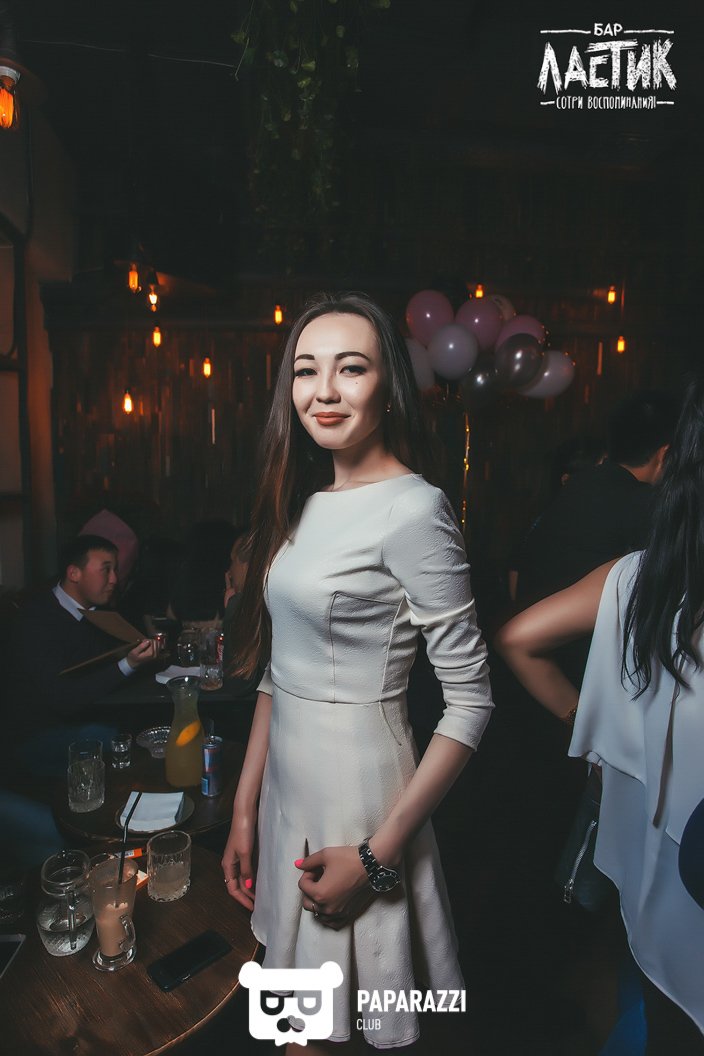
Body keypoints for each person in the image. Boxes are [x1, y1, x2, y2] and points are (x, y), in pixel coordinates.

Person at [221, 292, 494, 1053]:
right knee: (294, 1027)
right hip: (288, 793)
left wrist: (376, 857)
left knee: (331, 1034)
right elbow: (279, 673)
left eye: (351, 368)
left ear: (389, 385)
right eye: (306, 371)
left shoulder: (415, 510)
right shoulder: (305, 505)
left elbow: (471, 701)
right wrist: (244, 808)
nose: (324, 391)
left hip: (361, 805)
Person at [495, 376, 704, 1052]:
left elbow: (516, 603)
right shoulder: (646, 547)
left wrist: (593, 725)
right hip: (637, 789)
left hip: (594, 760)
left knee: (633, 961)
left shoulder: (618, 541)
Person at [6, 534, 155, 776]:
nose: (114, 579)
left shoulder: (100, 614)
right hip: (34, 734)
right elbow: (62, 700)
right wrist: (128, 664)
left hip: (84, 715)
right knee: (120, 739)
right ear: (74, 573)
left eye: (115, 570)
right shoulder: (36, 621)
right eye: (105, 569)